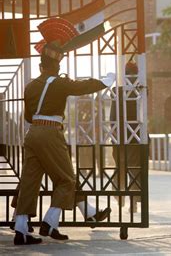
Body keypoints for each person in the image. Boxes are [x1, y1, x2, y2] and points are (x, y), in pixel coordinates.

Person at [13, 17, 115, 245]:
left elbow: (28, 116)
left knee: (30, 181)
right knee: (67, 179)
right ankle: (49, 222)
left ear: (41, 66)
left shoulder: (30, 86)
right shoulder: (59, 83)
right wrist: (105, 81)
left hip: (32, 134)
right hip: (50, 133)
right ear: (57, 67)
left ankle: (21, 230)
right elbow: (82, 87)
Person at [111, 61, 143, 213]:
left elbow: (112, 115)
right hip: (137, 134)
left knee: (120, 167)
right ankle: (134, 201)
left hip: (120, 135)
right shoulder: (141, 88)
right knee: (135, 169)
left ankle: (120, 196)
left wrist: (114, 132)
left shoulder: (117, 89)